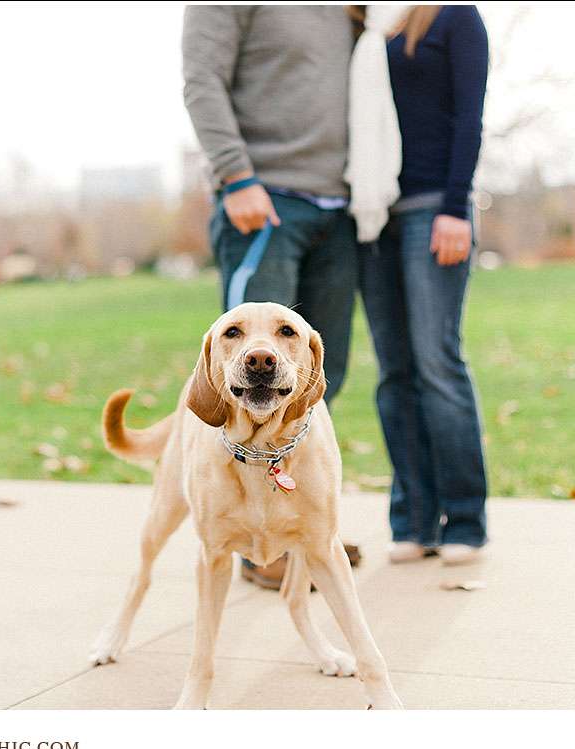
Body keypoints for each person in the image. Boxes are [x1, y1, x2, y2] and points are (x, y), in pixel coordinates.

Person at [182, 5, 361, 588]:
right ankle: (255, 544)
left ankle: (302, 523)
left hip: (339, 208)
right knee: (247, 371)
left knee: (313, 379)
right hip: (261, 200)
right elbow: (201, 78)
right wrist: (235, 175)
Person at [350, 5, 490, 566]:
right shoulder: (363, 24)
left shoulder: (455, 15)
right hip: (371, 213)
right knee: (395, 373)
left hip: (435, 208)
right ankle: (413, 518)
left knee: (436, 362)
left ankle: (465, 519)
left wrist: (456, 207)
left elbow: (468, 116)